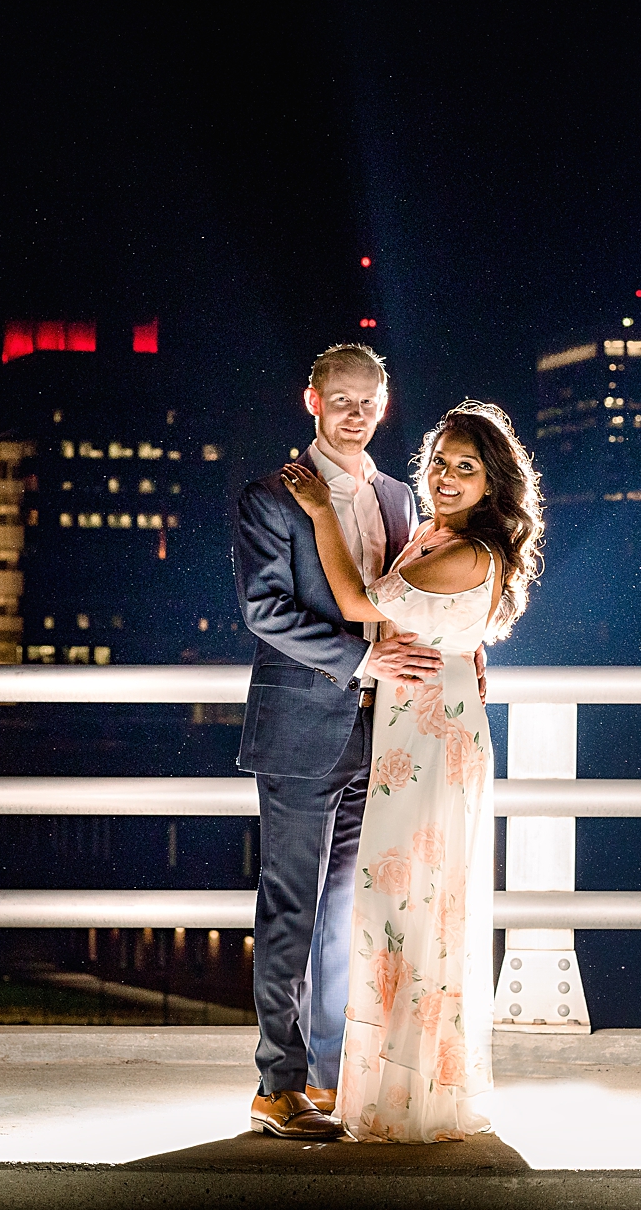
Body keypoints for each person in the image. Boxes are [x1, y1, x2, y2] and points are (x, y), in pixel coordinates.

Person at [232, 344, 483, 1140]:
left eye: (367, 400)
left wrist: (465, 645)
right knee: (292, 909)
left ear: (385, 404)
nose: (353, 412)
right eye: (338, 398)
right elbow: (265, 611)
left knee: (352, 914)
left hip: (388, 739)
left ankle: (338, 1081)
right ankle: (278, 1083)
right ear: (311, 400)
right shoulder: (270, 497)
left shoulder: (402, 497)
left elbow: (414, 596)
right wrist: (364, 654)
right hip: (303, 733)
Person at [280, 399, 543, 1142]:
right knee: (396, 902)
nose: (447, 476)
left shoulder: (467, 549)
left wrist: (322, 510)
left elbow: (359, 602)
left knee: (416, 902)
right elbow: (419, 617)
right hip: (415, 720)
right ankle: (395, 1081)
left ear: (494, 484)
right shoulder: (434, 534)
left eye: (467, 468)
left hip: (431, 734)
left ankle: (413, 1092)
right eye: (440, 462)